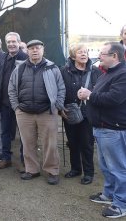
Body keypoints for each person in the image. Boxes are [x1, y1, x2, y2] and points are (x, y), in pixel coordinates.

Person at [78, 42, 126, 218]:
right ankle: (109, 194)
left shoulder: (122, 74)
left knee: (118, 168)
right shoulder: (109, 73)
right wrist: (89, 92)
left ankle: (121, 203)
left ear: (115, 56)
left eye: (103, 54)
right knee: (106, 166)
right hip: (102, 128)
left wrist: (89, 95)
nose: (99, 56)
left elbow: (114, 99)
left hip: (113, 129)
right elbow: (101, 93)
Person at [8, 39, 65, 185]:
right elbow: (12, 89)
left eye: (37, 48)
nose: (34, 50)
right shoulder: (19, 68)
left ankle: (52, 170)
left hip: (47, 112)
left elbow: (61, 88)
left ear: (43, 50)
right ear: (27, 51)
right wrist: (16, 108)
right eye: (31, 48)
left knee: (50, 144)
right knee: (28, 143)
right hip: (24, 113)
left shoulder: (52, 68)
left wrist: (57, 106)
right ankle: (32, 169)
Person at [60, 44, 102, 185]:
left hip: (88, 113)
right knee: (72, 142)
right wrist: (60, 109)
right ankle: (76, 169)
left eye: (85, 52)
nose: (84, 54)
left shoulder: (96, 71)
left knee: (87, 143)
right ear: (73, 55)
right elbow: (60, 91)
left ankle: (88, 173)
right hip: (70, 112)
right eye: (80, 52)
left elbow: (101, 90)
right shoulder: (64, 71)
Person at [0, 32, 28, 170]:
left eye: (13, 42)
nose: (11, 44)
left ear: (19, 42)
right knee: (4, 131)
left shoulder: (26, 58)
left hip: (22, 104)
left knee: (24, 134)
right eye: (8, 42)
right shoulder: (3, 59)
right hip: (5, 103)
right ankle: (6, 158)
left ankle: (25, 161)